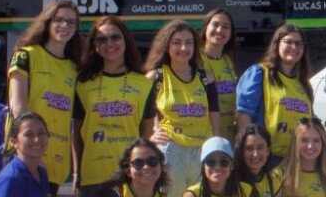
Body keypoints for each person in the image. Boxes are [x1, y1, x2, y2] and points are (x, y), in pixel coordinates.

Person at [74, 16, 158, 195]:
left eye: (115, 37)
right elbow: (78, 133)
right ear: (95, 46)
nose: (109, 43)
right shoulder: (83, 84)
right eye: (102, 39)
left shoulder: (144, 84)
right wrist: (76, 172)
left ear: (125, 40)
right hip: (92, 178)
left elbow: (147, 135)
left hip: (130, 178)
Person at [7, 0, 83, 194]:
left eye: (71, 22)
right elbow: (18, 107)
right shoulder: (26, 55)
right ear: (48, 22)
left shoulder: (74, 69)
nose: (65, 26)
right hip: (27, 157)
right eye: (59, 20)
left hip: (56, 162)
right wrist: (32, 148)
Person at [145, 20, 221, 197]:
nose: (183, 48)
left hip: (203, 149)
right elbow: (141, 115)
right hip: (171, 150)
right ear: (166, 46)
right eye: (177, 43)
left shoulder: (205, 76)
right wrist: (149, 137)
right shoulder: (155, 77)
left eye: (188, 42)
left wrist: (215, 141)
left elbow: (214, 111)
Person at [235, 24, 314, 162]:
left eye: (299, 43)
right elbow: (244, 115)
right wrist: (252, 152)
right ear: (277, 44)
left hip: (295, 159)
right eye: (288, 42)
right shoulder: (259, 73)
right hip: (266, 157)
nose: (294, 47)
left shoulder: (303, 83)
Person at [201, 9, 239, 141]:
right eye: (215, 25)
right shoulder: (194, 59)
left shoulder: (228, 61)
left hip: (227, 138)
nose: (219, 30)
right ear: (206, 27)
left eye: (225, 27)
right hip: (202, 139)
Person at [0, 111, 52, 197]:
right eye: (29, 135)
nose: (37, 140)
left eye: (41, 133)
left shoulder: (41, 173)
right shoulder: (11, 180)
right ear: (14, 142)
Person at [281, 119, 326, 197]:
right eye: (304, 140)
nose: (310, 146)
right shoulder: (279, 177)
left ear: (323, 144)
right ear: (295, 143)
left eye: (316, 141)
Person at [91, 139, 170, 197]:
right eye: (138, 163)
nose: (146, 167)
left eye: (152, 161)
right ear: (128, 171)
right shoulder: (110, 194)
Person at [184, 137, 252, 197]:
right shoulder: (192, 195)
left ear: (232, 165)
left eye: (223, 162)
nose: (217, 167)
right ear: (203, 166)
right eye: (211, 162)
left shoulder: (245, 191)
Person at [233, 125, 282, 197]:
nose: (255, 154)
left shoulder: (274, 181)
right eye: (249, 148)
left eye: (260, 148)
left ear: (268, 151)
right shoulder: (233, 182)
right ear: (242, 152)